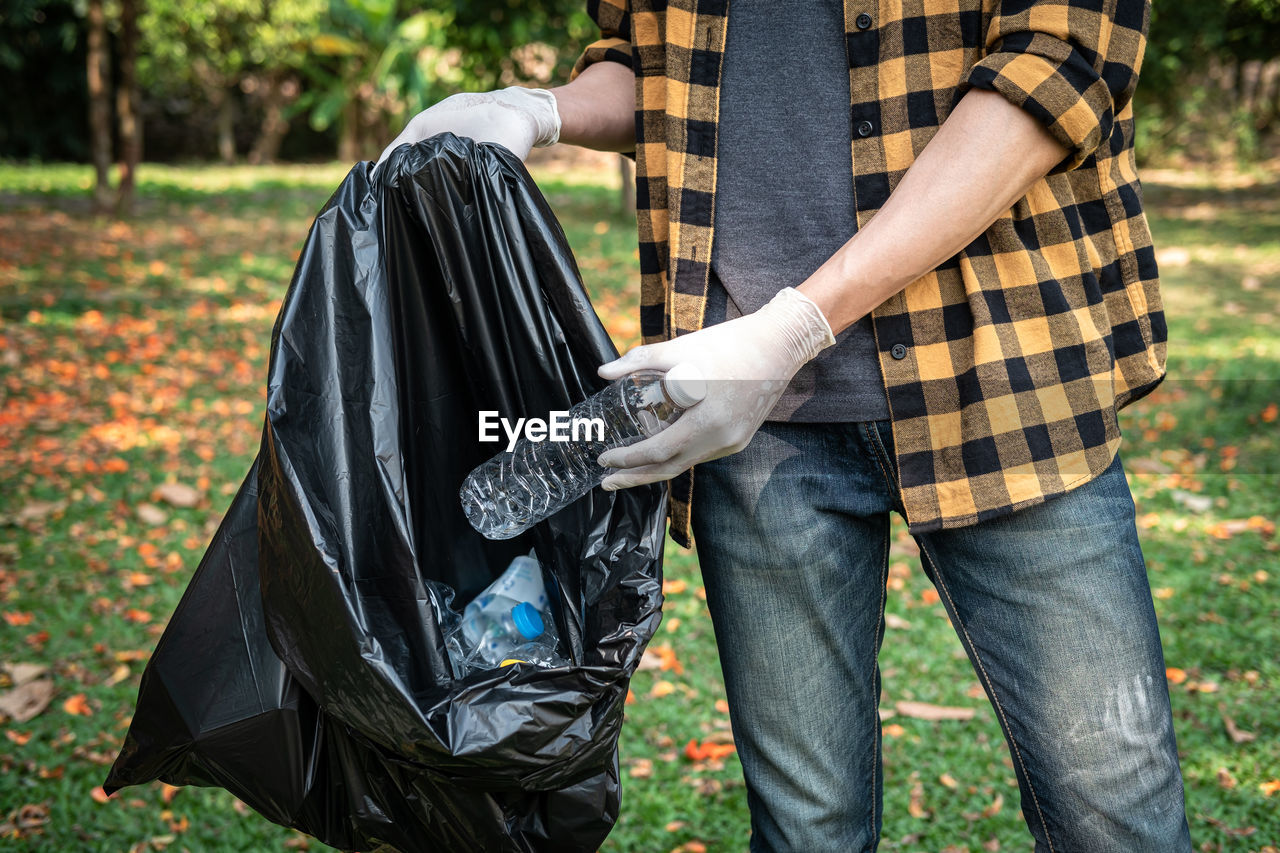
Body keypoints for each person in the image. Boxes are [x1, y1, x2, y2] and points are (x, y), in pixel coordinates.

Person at [381, 1, 1193, 850]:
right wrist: (541, 108)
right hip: (750, 417)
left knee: (1116, 810)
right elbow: (652, 62)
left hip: (1003, 382)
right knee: (808, 828)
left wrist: (795, 325)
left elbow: (1056, 68)